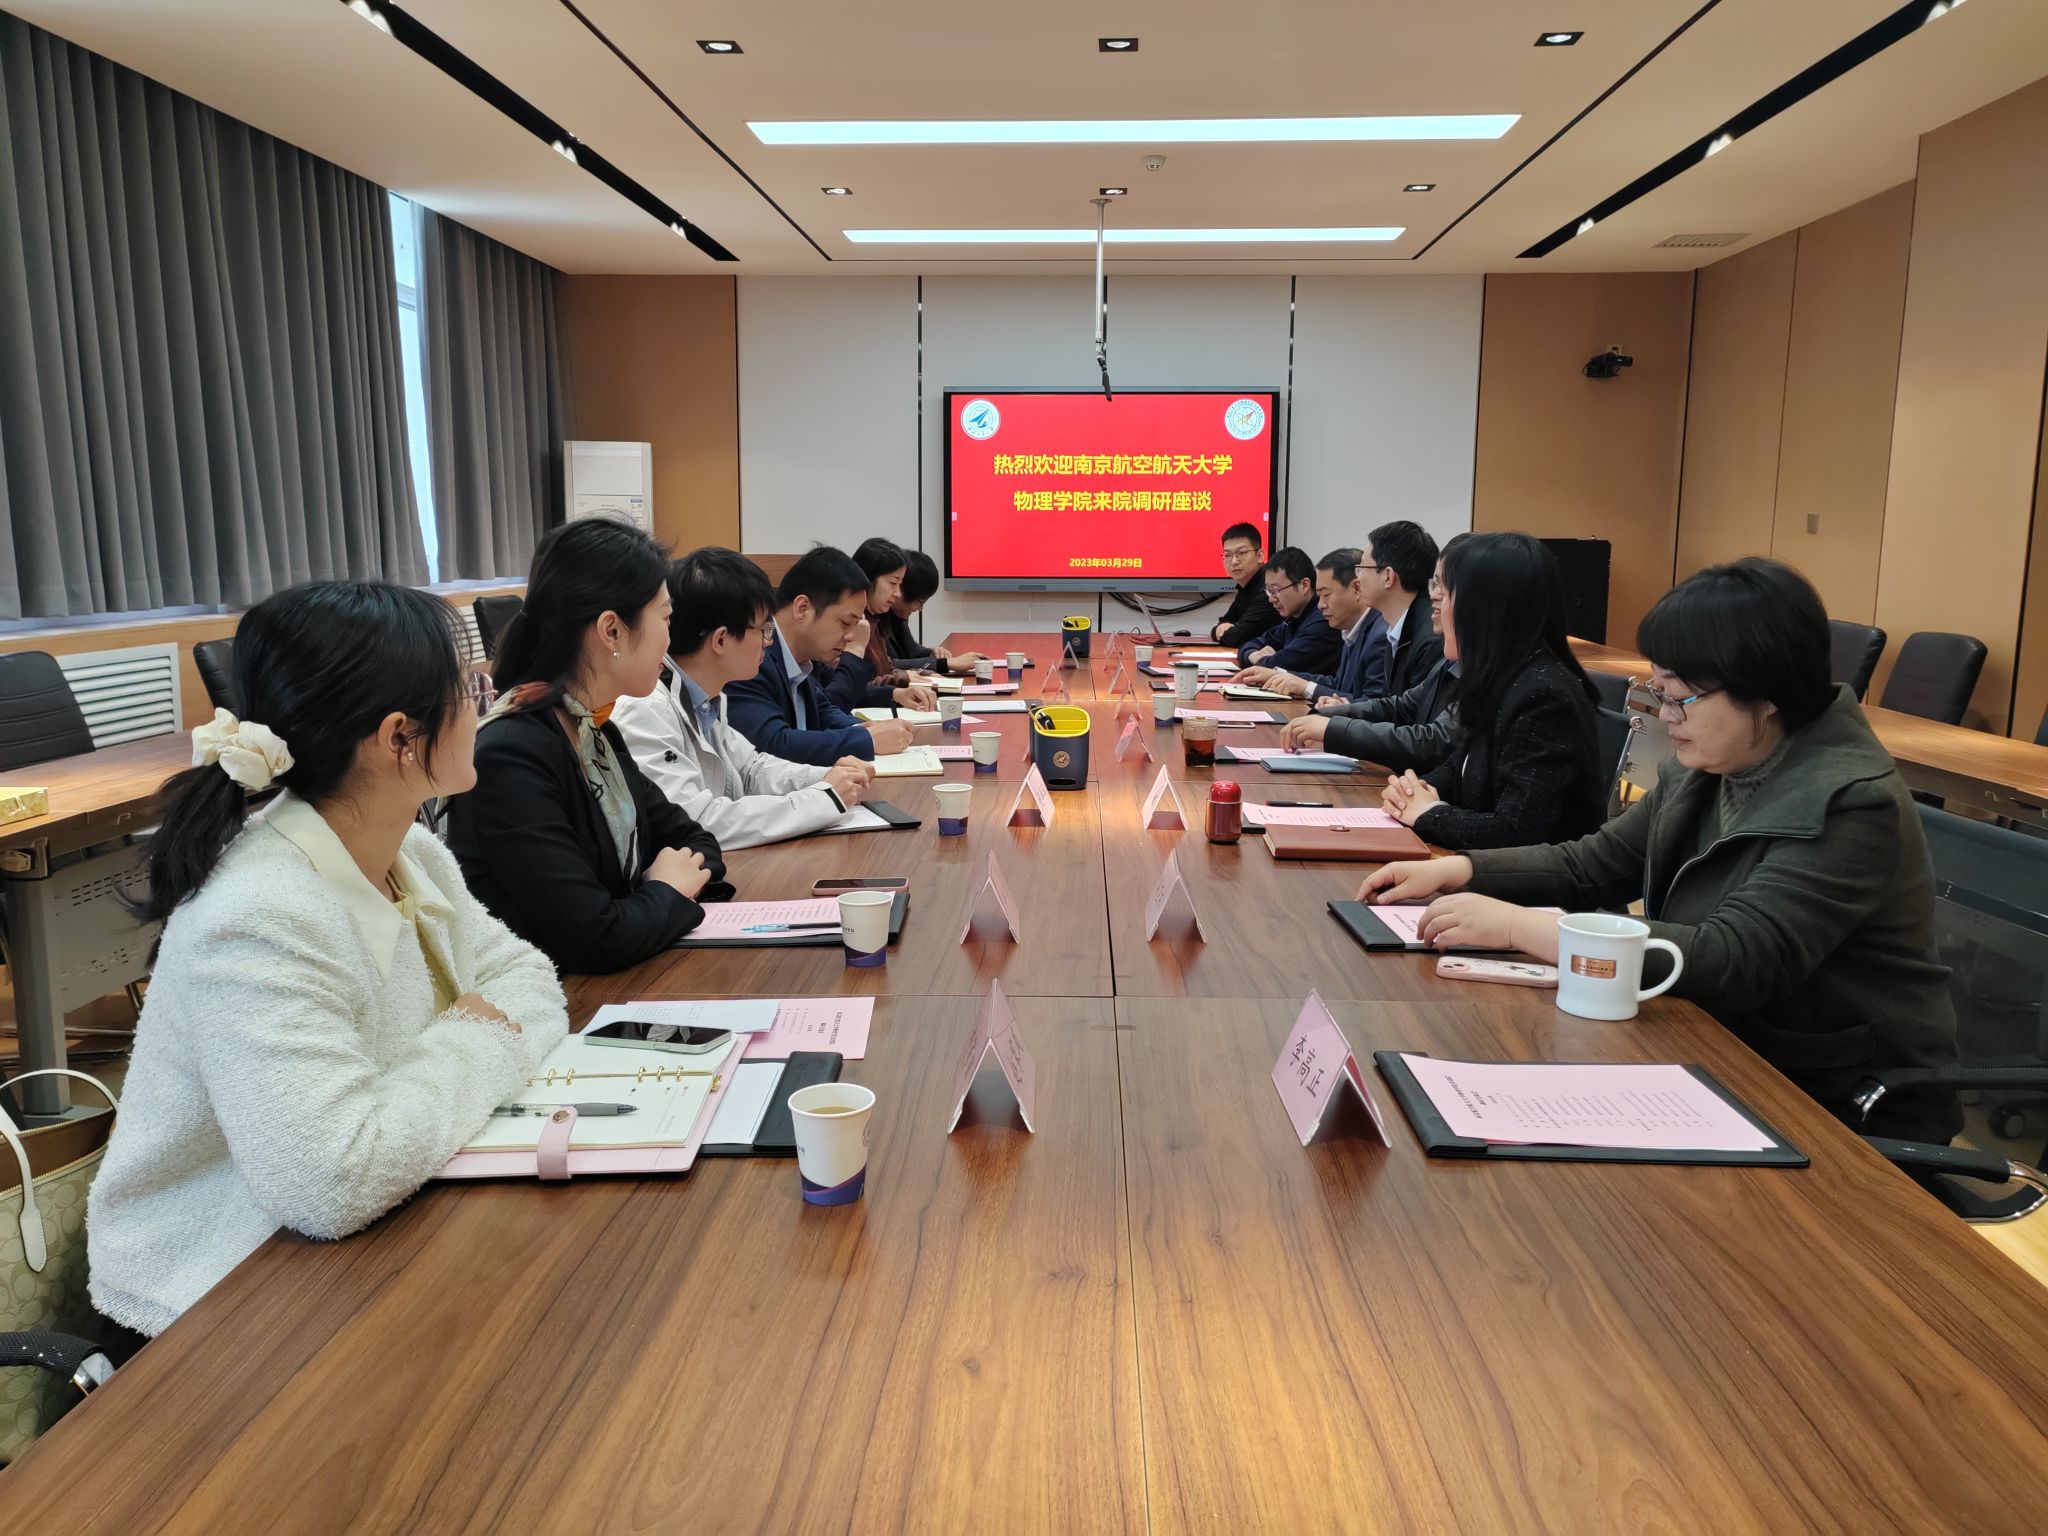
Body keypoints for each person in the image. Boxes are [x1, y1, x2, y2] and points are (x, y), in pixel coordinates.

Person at [88, 582, 568, 1344]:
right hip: (213, 1295)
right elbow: (334, 1177)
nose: (483, 705)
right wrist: (479, 1037)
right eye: (467, 692)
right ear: (399, 738)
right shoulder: (257, 915)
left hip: (363, 1230)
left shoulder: (412, 852)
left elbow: (531, 980)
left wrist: (445, 1066)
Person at [1359, 557, 1962, 1143]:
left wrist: (1520, 927)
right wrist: (1459, 869)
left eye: (1679, 697)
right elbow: (1595, 864)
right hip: (1715, 1046)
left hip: (1833, 1101)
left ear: (1765, 689)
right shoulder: (1714, 761)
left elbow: (1735, 959)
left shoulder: (1851, 801)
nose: (1665, 716)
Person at [445, 517, 733, 974]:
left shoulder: (595, 733)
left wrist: (651, 898)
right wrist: (665, 890)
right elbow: (595, 938)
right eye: (665, 618)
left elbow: (697, 842)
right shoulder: (511, 755)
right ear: (612, 631)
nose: (670, 636)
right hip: (550, 1001)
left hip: (618, 981)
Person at [613, 548, 876, 850]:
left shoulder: (708, 699)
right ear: (721, 639)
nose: (768, 640)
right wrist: (824, 798)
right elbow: (698, 821)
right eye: (763, 629)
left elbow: (751, 770)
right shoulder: (645, 709)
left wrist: (828, 776)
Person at [1374, 532, 1604, 851]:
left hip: (1530, 882)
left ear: (1485, 607)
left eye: (1445, 591)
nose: (1436, 603)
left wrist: (1428, 814)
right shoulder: (1501, 676)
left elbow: (1517, 832)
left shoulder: (1544, 696)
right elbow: (1461, 768)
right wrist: (1412, 792)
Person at [1281, 534, 1466, 772]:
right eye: (1435, 584)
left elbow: (1430, 744)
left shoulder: (1431, 640)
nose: (1434, 594)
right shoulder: (1393, 627)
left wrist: (1333, 728)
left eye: (1362, 569)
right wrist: (1330, 716)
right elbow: (1401, 706)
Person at [725, 546, 917, 766]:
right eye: (845, 623)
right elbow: (773, 744)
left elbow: (823, 710)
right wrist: (868, 740)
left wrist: (865, 728)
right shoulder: (754, 656)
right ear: (802, 608)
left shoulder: (800, 658)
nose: (850, 637)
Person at [1230, 548, 1387, 702]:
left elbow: (1373, 706)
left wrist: (1305, 687)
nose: (1320, 605)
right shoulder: (1350, 629)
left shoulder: (1379, 636)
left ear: (1357, 588)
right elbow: (1338, 685)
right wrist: (1281, 676)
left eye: (1326, 595)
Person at [823, 538, 939, 714]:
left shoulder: (875, 618)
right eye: (893, 583)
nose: (897, 593)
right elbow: (843, 691)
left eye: (900, 585)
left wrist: (921, 674)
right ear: (868, 578)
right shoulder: (852, 625)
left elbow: (886, 666)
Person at [1235, 546, 1343, 675]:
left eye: (1275, 590)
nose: (1271, 599)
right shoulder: (1293, 619)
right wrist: (1252, 655)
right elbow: (1248, 645)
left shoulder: (1323, 621)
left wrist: (1260, 659)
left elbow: (1276, 666)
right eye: (1269, 591)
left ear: (1304, 585)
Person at [877, 550, 984, 676]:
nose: (920, 609)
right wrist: (944, 663)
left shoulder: (896, 614)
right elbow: (889, 665)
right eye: (920, 602)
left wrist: (931, 654)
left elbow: (911, 650)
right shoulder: (872, 617)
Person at [1208, 522, 1280, 647]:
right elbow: (1222, 624)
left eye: (1241, 553)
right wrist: (1218, 630)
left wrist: (1222, 631)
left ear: (1260, 556)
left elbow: (1237, 637)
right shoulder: (1246, 587)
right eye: (1227, 555)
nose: (1234, 561)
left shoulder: (1269, 588)